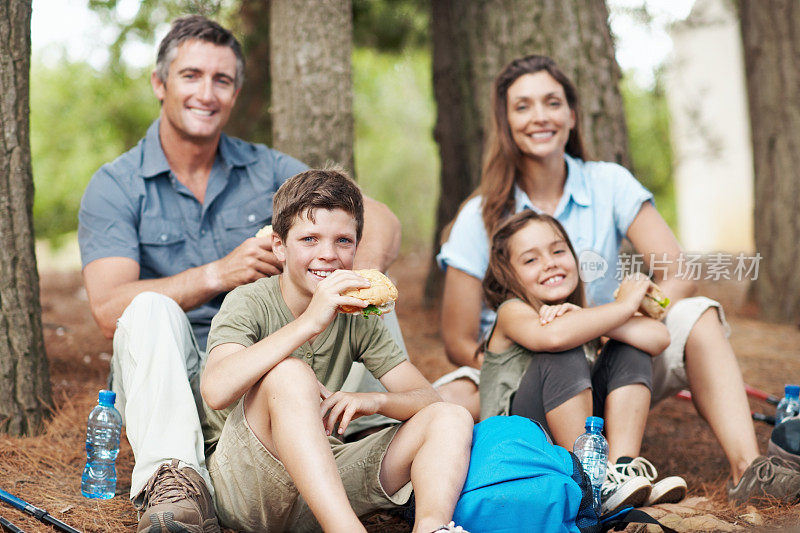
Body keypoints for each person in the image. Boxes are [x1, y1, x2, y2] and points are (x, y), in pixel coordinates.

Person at [78, 16, 402, 532]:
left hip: (271, 367)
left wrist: (352, 280)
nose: (206, 92)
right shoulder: (117, 185)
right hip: (176, 379)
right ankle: (175, 482)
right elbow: (105, 310)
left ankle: (369, 451)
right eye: (191, 76)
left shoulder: (266, 169)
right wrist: (214, 274)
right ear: (160, 84)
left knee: (361, 294)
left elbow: (379, 217)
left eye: (222, 80)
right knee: (147, 308)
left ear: (235, 93)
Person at [435, 54, 800, 505]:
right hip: (523, 362)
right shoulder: (480, 213)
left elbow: (679, 275)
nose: (540, 116)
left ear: (571, 114)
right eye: (523, 106)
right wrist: (537, 341)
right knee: (448, 402)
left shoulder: (608, 183)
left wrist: (608, 323)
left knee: (698, 313)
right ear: (505, 122)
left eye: (552, 102)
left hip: (606, 347)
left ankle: (746, 471)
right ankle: (571, 479)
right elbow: (456, 339)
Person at [200, 168, 473, 533]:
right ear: (279, 246)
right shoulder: (248, 302)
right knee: (290, 372)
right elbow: (216, 390)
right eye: (309, 239)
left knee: (451, 416)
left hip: (323, 488)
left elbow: (428, 398)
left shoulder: (356, 313)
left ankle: (433, 527)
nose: (327, 255)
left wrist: (371, 402)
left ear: (357, 246)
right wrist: (309, 322)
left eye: (343, 241)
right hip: (248, 488)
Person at [479, 209, 685, 514]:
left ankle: (621, 471)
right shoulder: (512, 310)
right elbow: (552, 338)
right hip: (518, 447)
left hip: (579, 439)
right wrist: (626, 305)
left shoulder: (576, 315)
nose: (550, 263)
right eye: (530, 259)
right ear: (509, 276)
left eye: (559, 250)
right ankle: (588, 483)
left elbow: (657, 338)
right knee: (563, 346)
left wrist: (595, 318)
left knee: (629, 346)